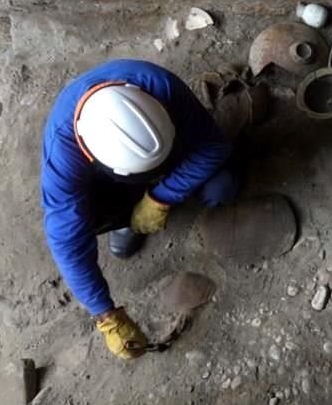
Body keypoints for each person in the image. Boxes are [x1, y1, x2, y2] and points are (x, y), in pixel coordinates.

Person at [40, 59, 237, 359]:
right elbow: (67, 242)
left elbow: (214, 146)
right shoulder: (63, 154)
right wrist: (106, 316)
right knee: (83, 216)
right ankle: (125, 218)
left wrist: (161, 197)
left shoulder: (162, 87)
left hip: (172, 151)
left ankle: (150, 195)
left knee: (221, 188)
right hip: (112, 179)